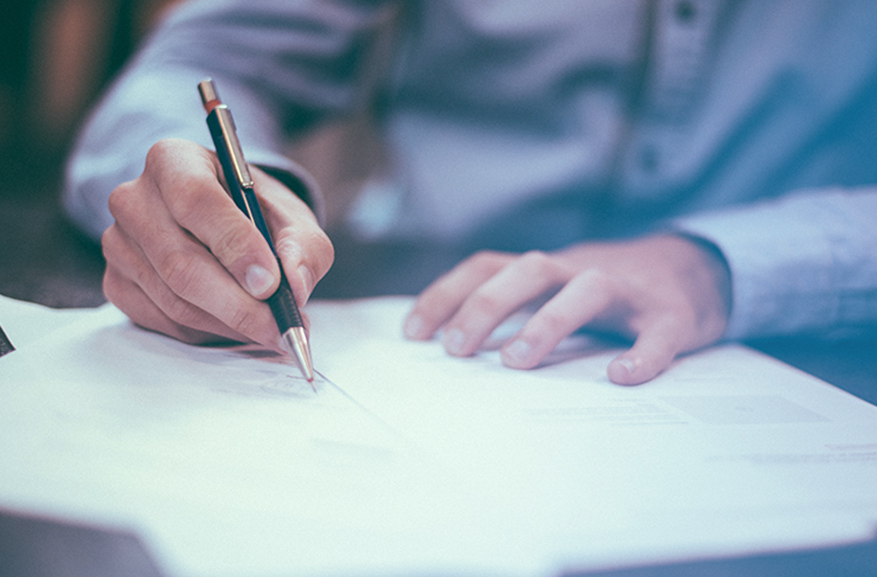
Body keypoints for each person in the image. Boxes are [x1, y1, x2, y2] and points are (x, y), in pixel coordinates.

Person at [64, 0, 877, 385]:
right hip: (421, 310)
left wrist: (717, 264)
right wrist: (210, 203)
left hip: (807, 343)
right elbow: (202, 59)